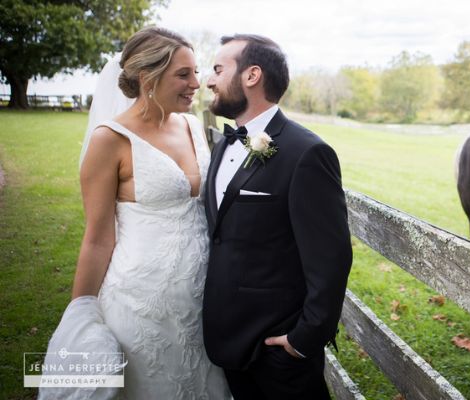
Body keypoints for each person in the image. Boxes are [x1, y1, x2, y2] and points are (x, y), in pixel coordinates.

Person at [41, 27, 228, 399]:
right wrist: (80, 315)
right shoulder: (109, 140)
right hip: (141, 305)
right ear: (147, 78)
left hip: (202, 299)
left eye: (196, 71)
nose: (197, 82)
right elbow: (97, 237)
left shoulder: (191, 125)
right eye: (183, 74)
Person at [203, 34, 352, 399]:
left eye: (219, 69)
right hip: (227, 341)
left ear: (252, 75)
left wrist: (304, 340)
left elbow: (331, 259)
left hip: (279, 353)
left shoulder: (308, 153)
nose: (208, 80)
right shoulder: (224, 144)